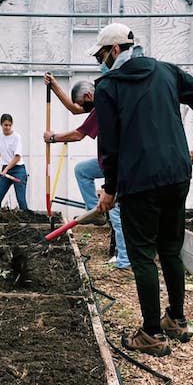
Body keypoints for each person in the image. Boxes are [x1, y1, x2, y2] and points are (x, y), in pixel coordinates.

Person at [91, 23, 193, 356]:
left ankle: (151, 333)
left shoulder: (108, 86)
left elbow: (110, 144)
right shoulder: (167, 72)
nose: (101, 62)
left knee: (142, 256)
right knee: (169, 248)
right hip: (177, 176)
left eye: (102, 55)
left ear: (116, 50)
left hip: (140, 181)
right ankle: (176, 320)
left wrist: (109, 188)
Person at [43, 73, 131, 270]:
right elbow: (75, 109)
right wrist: (55, 85)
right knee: (82, 170)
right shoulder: (99, 101)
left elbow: (77, 135)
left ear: (89, 96)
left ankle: (125, 259)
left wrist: (52, 138)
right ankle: (96, 211)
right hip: (110, 160)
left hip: (120, 163)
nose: (82, 108)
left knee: (116, 211)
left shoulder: (104, 106)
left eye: (83, 104)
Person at [0, 113, 28, 210]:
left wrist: (6, 169)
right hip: (5, 169)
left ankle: (27, 223)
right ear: (1, 124)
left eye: (10, 125)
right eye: (5, 125)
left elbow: (17, 157)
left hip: (18, 170)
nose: (8, 127)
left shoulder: (16, 137)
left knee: (21, 200)